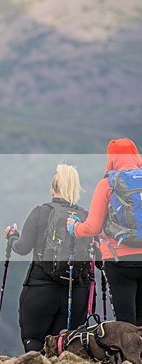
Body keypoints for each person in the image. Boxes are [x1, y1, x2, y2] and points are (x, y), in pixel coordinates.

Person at [4, 164, 90, 352]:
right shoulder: (85, 217)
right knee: (64, 347)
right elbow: (95, 258)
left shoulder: (41, 212)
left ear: (52, 190)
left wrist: (11, 236)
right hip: (75, 293)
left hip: (40, 288)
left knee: (34, 340)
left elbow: (22, 248)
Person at [68, 138, 142, 325]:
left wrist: (74, 228)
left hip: (118, 260)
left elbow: (93, 227)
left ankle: (129, 355)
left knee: (126, 323)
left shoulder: (107, 184)